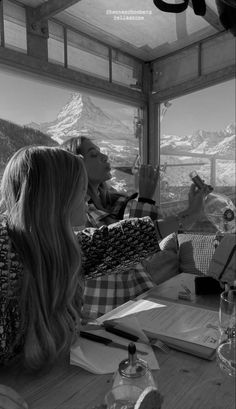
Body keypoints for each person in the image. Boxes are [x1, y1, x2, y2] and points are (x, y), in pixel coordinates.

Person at [0, 145, 203, 408]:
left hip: (36, 380)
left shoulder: (58, 245)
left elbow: (116, 240)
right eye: (78, 189)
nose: (84, 199)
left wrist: (190, 214)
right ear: (56, 197)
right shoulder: (4, 252)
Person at [61, 136, 174, 318]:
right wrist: (145, 198)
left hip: (133, 301)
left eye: (101, 152)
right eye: (94, 155)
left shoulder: (115, 202)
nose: (105, 157)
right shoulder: (75, 212)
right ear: (76, 165)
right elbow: (123, 245)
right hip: (102, 312)